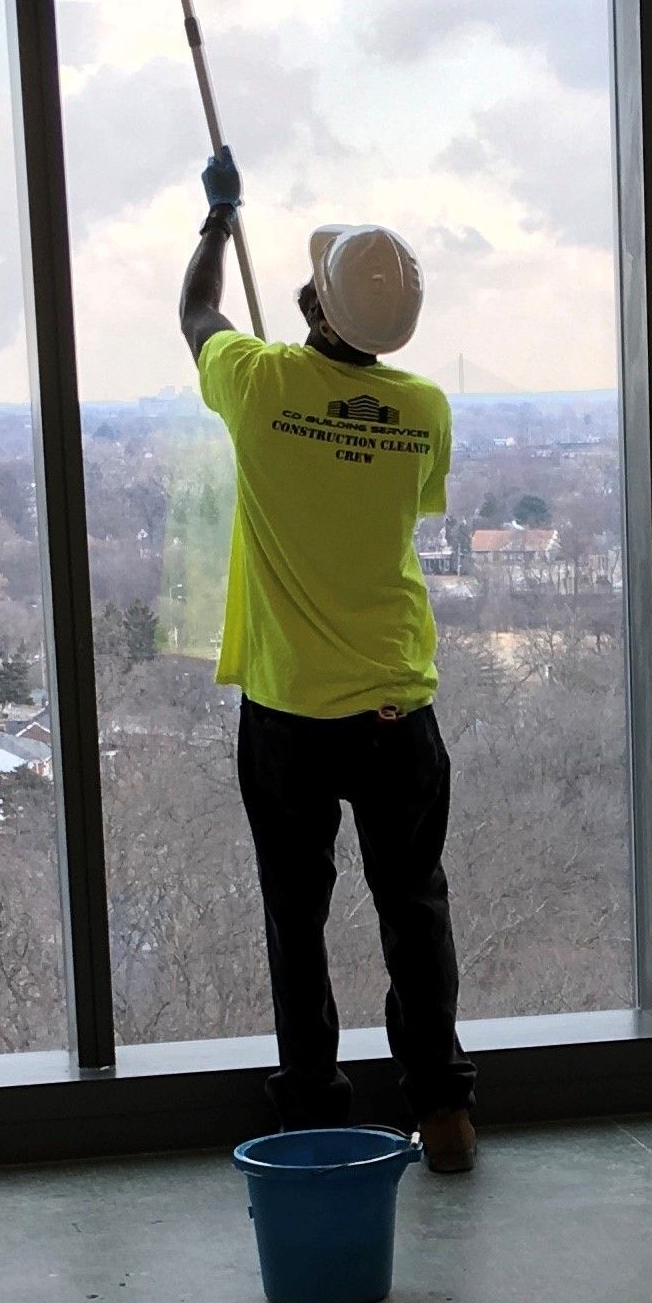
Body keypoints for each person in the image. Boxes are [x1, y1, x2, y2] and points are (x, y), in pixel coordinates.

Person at [180, 145, 476, 1174]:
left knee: (296, 913)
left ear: (312, 304)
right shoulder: (426, 409)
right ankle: (439, 1105)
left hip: (291, 710)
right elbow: (405, 509)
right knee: (413, 904)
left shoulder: (256, 386)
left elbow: (197, 317)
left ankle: (311, 1101)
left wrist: (217, 222)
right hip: (396, 702)